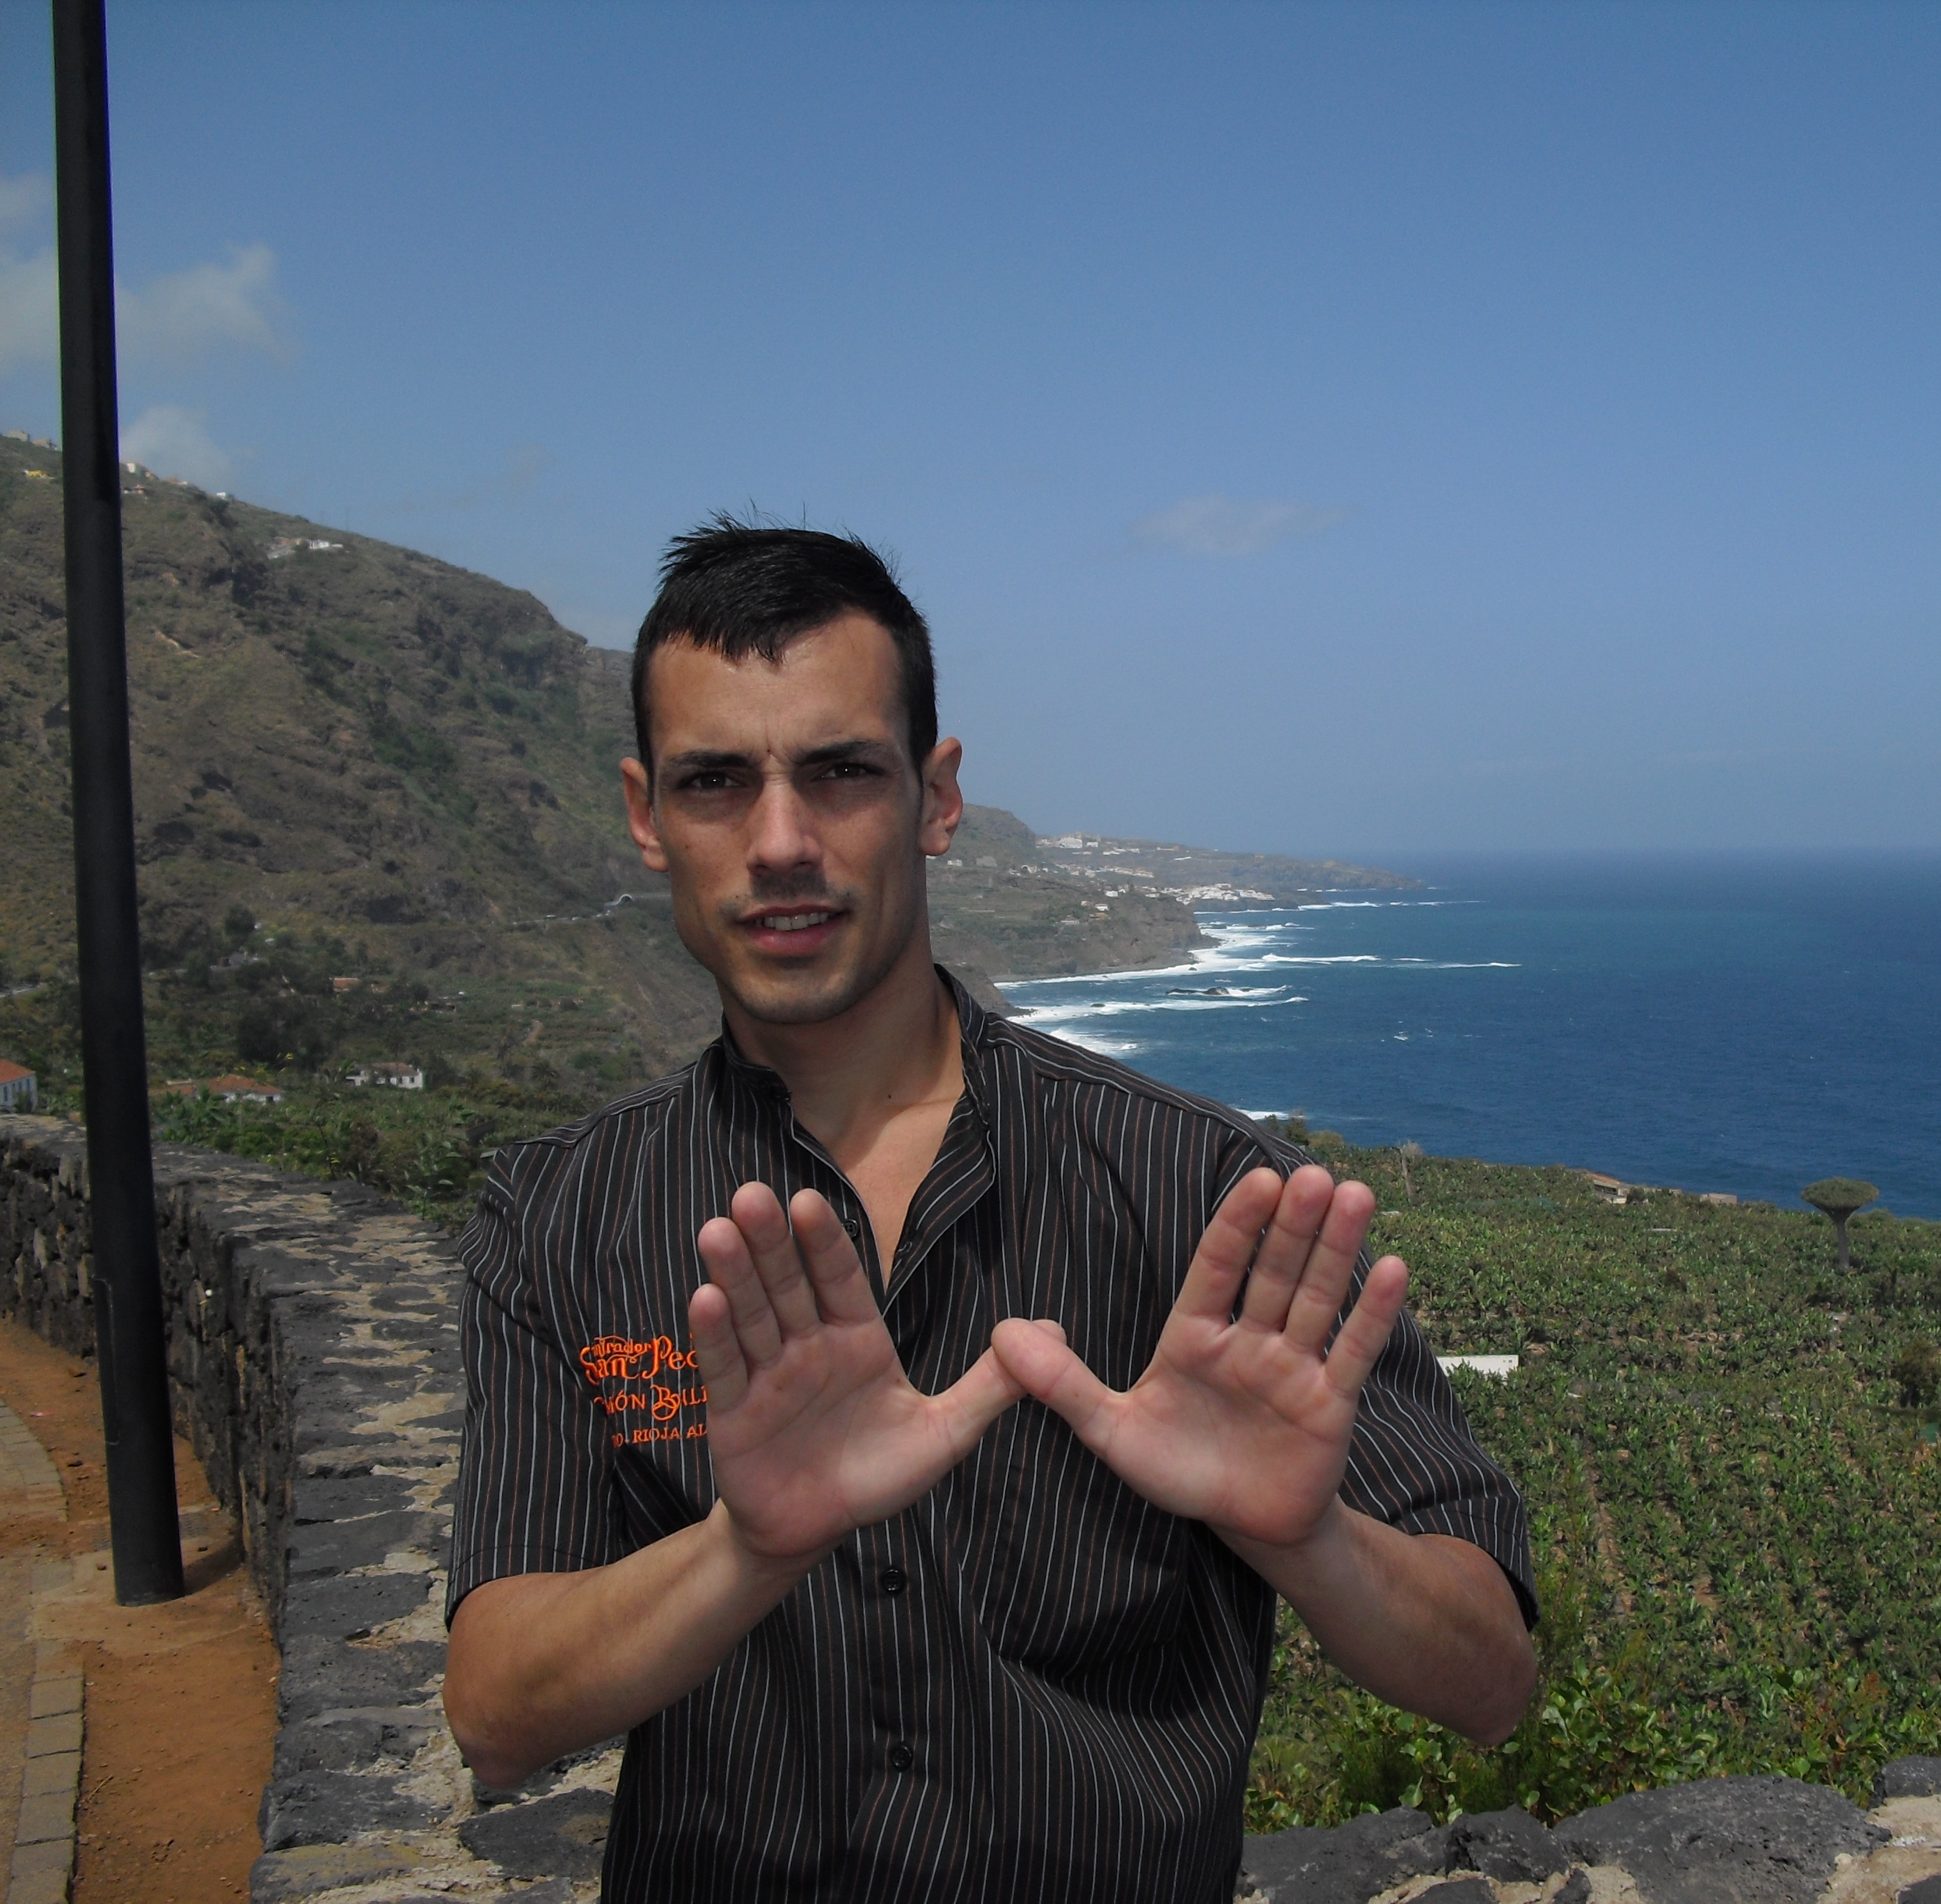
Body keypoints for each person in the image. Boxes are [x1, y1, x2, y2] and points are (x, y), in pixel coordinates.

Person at [441, 520, 1537, 1902]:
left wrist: (1308, 1541)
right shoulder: (561, 1216)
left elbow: (1493, 1678)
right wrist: (746, 1548)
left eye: (840, 772)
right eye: (717, 782)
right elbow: (493, 1709)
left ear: (935, 798)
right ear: (648, 817)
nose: (780, 842)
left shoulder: (1200, 1194)